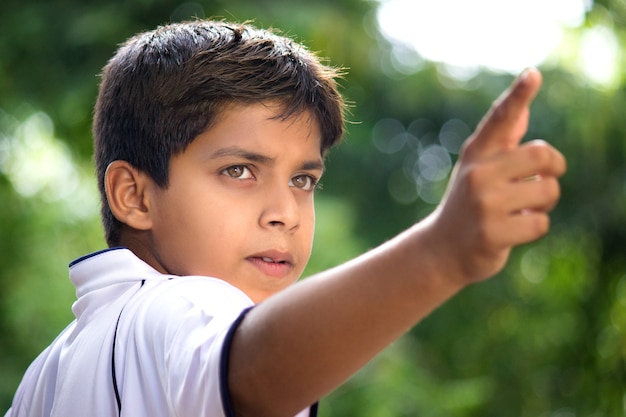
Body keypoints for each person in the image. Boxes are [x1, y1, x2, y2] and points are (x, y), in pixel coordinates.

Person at [4, 19, 566, 417]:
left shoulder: (46, 373)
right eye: (240, 171)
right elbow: (254, 370)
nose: (285, 214)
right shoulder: (177, 305)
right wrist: (440, 253)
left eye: (303, 181)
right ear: (135, 195)